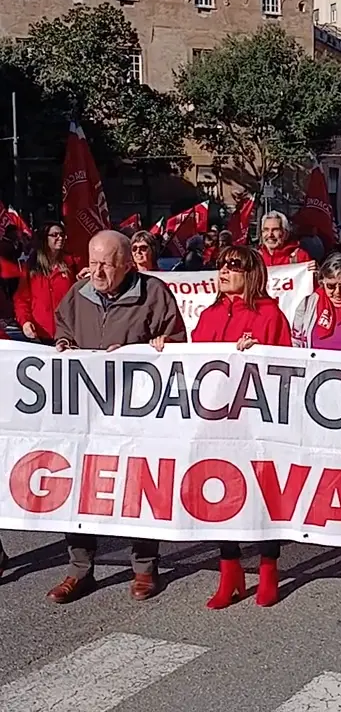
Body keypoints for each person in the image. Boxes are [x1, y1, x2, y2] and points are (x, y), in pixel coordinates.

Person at [47, 230, 187, 605]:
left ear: (126, 263)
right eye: (92, 262)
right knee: (79, 489)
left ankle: (144, 568)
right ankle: (79, 570)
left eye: (105, 263)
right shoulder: (78, 294)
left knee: (137, 488)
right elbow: (62, 329)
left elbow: (177, 341)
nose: (96, 270)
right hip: (86, 415)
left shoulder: (153, 293)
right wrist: (63, 345)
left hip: (135, 414)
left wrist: (155, 347)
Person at [152, 245, 290, 610]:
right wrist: (166, 349)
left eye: (233, 265)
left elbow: (287, 368)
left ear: (251, 273)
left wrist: (258, 353)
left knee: (261, 494)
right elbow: (196, 360)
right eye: (221, 264)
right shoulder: (211, 314)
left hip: (255, 422)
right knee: (221, 494)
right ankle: (229, 570)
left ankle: (268, 568)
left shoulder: (270, 314)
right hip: (216, 419)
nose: (223, 271)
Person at [14, 222, 81, 343]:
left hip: (68, 332)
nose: (60, 238)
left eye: (62, 234)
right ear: (44, 239)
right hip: (40, 333)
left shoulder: (73, 264)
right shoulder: (31, 267)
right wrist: (25, 322)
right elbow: (22, 299)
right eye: (55, 235)